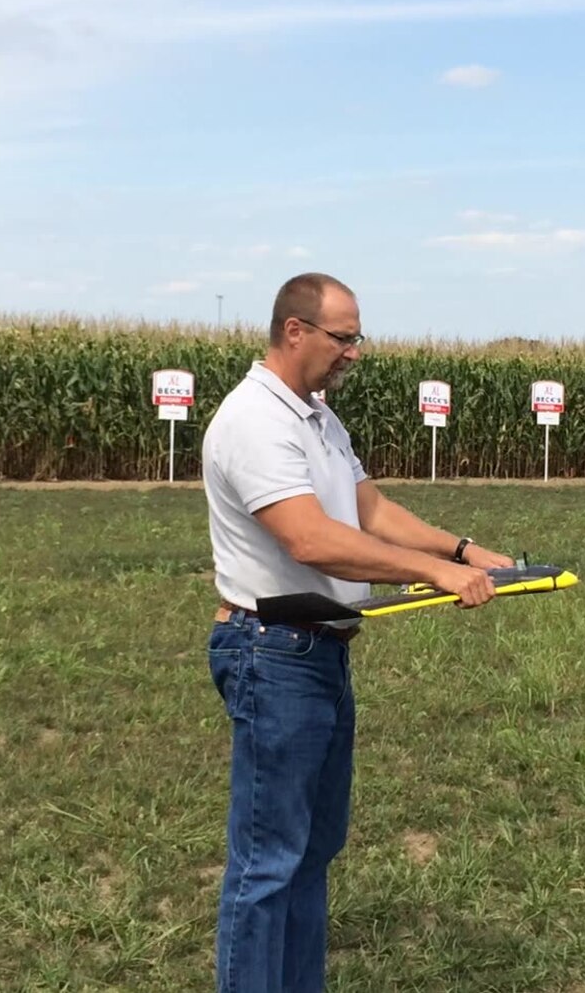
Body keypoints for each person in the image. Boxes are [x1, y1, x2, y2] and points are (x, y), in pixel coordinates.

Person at [200, 272, 514, 993]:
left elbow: (370, 512)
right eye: (344, 338)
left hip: (318, 654)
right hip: (271, 652)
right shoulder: (255, 419)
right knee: (268, 862)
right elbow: (310, 539)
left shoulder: (316, 418)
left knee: (311, 852)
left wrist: (459, 551)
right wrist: (426, 572)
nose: (355, 352)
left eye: (357, 338)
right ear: (295, 331)